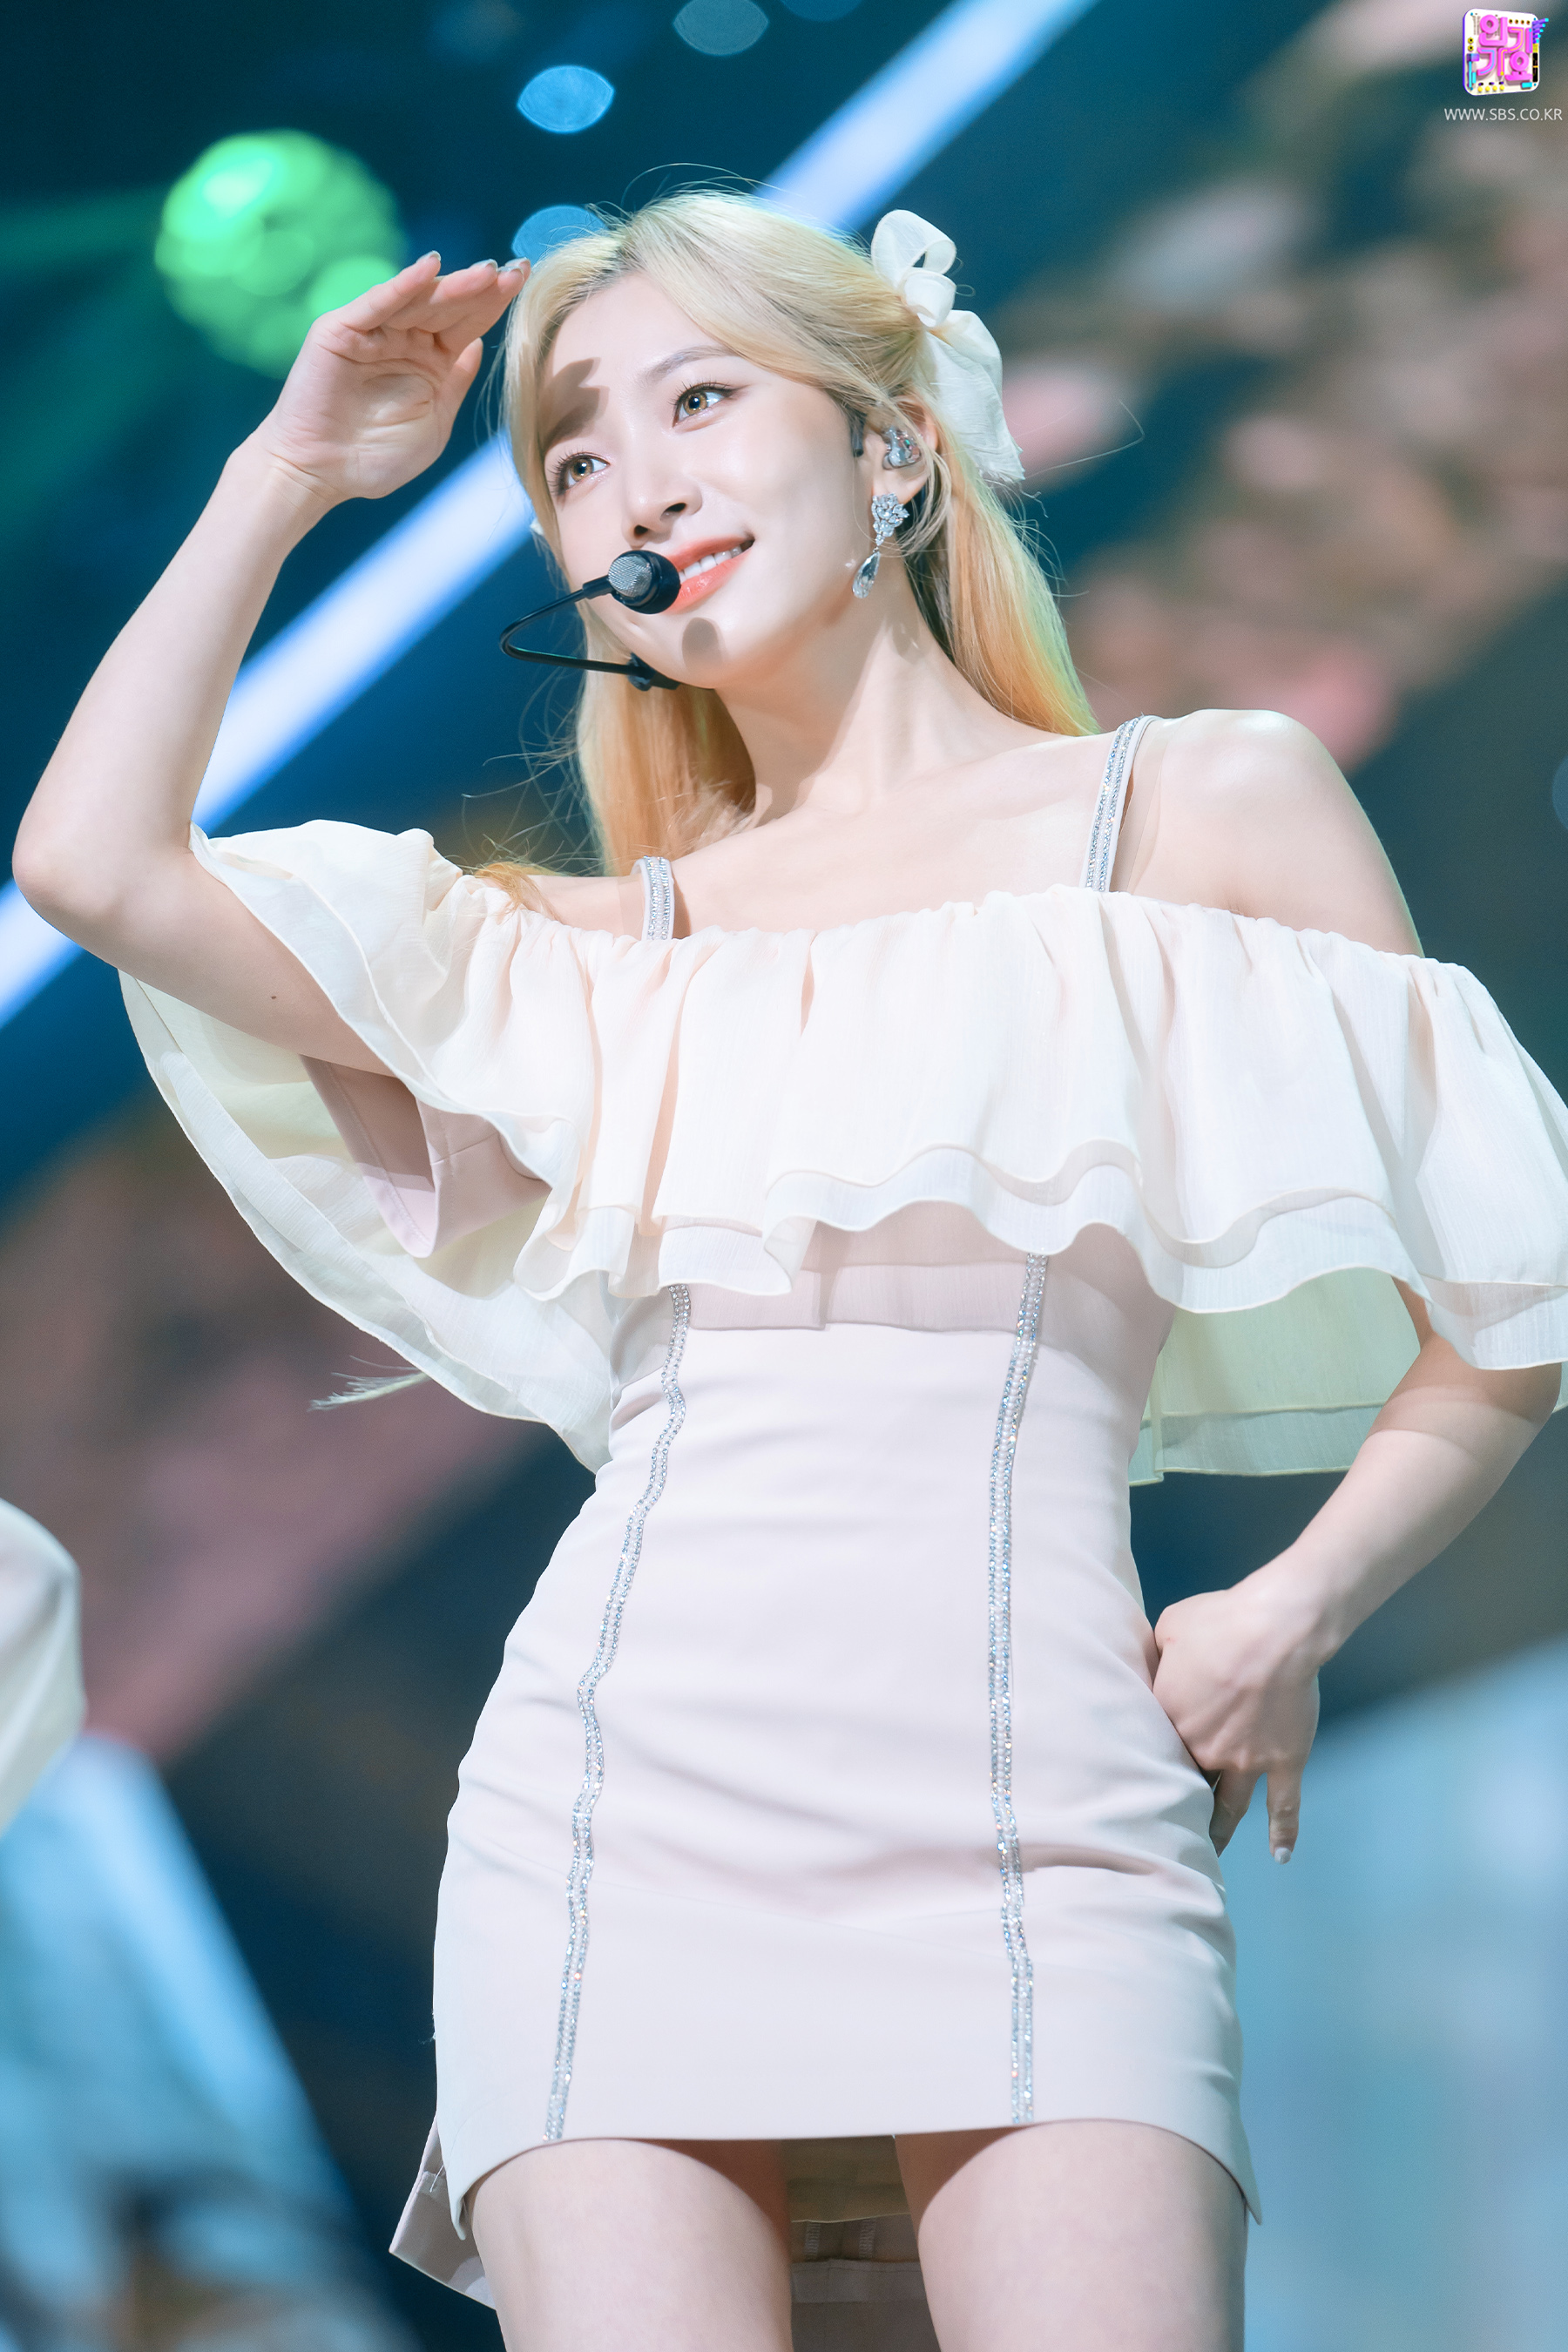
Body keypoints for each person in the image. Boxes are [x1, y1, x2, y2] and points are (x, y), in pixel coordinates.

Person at [15, 194, 1567, 2352]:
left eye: (699, 401)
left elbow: (1510, 1299)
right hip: (614, 1810)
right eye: (574, 458)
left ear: (895, 451)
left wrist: (1291, 1606)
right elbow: (93, 861)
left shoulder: (1196, 810)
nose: (636, 485)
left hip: (1047, 1796)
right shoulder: (586, 954)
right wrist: (286, 475)